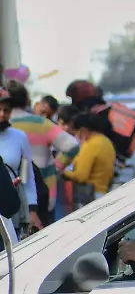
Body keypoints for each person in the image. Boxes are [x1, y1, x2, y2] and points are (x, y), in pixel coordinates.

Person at [7, 81, 79, 224]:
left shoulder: (5, 125)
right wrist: (55, 167)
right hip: (43, 195)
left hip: (9, 195)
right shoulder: (41, 123)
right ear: (27, 101)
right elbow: (72, 146)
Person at [0, 89, 42, 233]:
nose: (2, 114)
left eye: (6, 110)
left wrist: (32, 209)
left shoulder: (19, 137)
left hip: (12, 211)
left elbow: (27, 177)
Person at [61, 111, 116, 210]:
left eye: (76, 132)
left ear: (83, 130)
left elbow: (81, 176)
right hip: (103, 192)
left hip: (91, 197)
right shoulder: (106, 141)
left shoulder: (91, 145)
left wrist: (63, 173)